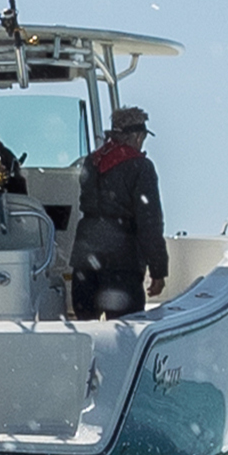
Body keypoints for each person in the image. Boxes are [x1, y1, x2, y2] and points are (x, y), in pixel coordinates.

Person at [71, 104, 167, 319]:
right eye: (142, 136)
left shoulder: (92, 161)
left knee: (86, 327)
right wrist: (158, 270)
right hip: (122, 260)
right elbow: (149, 222)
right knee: (126, 329)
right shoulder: (141, 167)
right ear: (136, 136)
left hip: (85, 256)